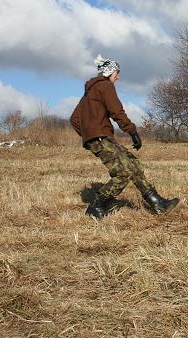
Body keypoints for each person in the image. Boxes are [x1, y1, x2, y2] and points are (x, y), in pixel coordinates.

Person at [70, 55, 179, 219]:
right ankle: (97, 206)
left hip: (99, 138)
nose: (118, 76)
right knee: (123, 173)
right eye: (117, 72)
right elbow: (117, 111)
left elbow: (74, 119)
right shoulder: (105, 86)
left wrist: (87, 134)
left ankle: (157, 203)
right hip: (101, 138)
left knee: (133, 166)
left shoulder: (88, 93)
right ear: (110, 72)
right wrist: (132, 131)